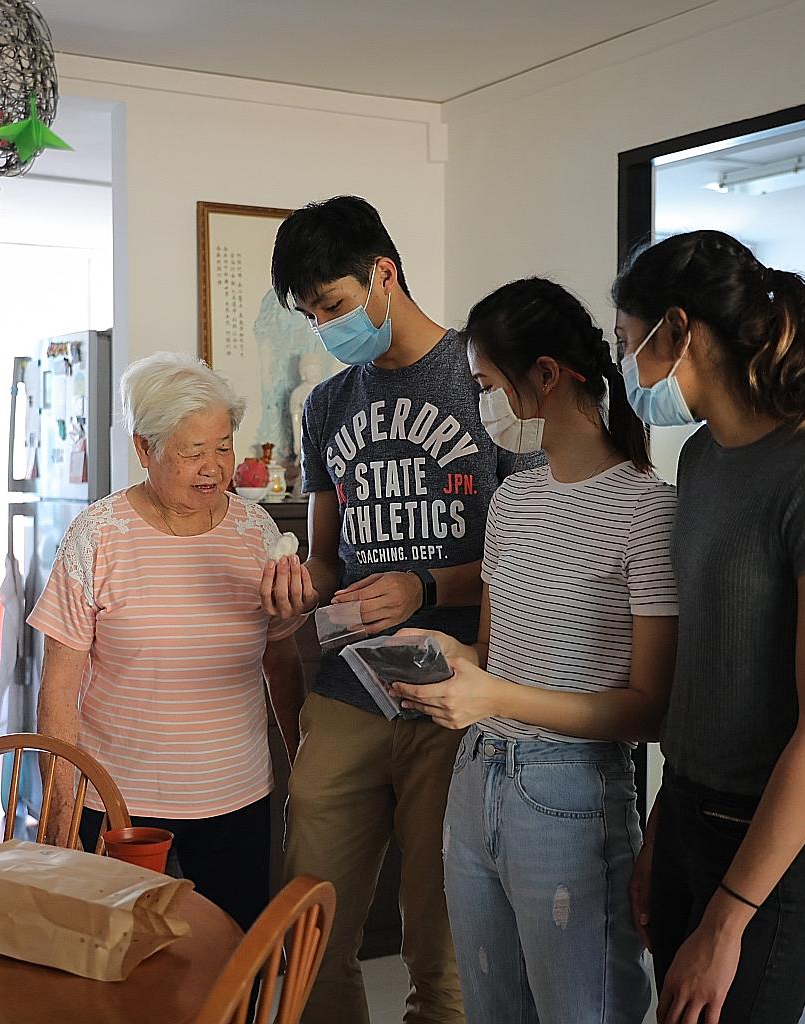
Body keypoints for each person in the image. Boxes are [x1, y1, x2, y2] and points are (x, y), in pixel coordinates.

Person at [267, 196, 535, 1024]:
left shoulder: (484, 380)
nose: (328, 329)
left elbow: (527, 553)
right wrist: (294, 580)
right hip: (349, 690)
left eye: (336, 306)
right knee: (310, 931)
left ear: (384, 274)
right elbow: (325, 552)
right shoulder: (327, 406)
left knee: (441, 945)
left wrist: (425, 585)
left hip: (456, 690)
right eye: (313, 317)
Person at [391, 278, 678, 1023]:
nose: (485, 405)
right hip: (475, 775)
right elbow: (492, 653)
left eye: (488, 385)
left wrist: (493, 697)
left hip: (571, 796)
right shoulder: (514, 501)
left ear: (546, 376)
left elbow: (648, 710)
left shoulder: (649, 509)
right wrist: (446, 659)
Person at [612, 230, 805, 1024]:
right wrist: (666, 819)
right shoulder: (698, 458)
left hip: (783, 847)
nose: (629, 369)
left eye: (631, 344)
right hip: (693, 812)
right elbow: (705, 667)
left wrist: (727, 920)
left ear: (679, 331)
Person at [28, 352, 315, 930]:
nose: (212, 468)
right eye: (192, 452)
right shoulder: (98, 536)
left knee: (228, 969)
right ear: (144, 449)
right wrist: (60, 810)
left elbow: (280, 663)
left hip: (236, 797)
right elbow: (58, 691)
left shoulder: (256, 533)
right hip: (118, 804)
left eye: (222, 448)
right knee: (123, 971)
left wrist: (302, 776)